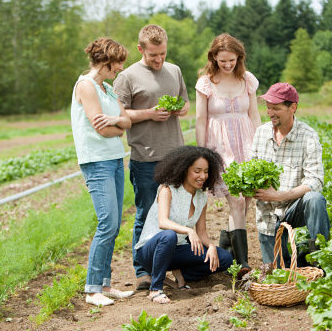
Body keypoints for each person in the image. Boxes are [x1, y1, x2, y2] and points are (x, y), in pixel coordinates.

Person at [113, 24, 190, 290]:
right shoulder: (126, 77)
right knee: (146, 214)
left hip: (175, 155)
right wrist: (149, 113)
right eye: (153, 55)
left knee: (177, 215)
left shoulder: (175, 70)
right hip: (145, 157)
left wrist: (179, 110)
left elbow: (186, 103)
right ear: (140, 49)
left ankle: (172, 265)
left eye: (163, 54)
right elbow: (120, 115)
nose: (159, 60)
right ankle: (143, 271)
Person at [70, 37, 134, 307]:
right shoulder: (86, 86)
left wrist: (119, 121)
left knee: (115, 223)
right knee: (107, 222)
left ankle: (105, 284)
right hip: (96, 161)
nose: (119, 69)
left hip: (115, 159)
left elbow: (126, 121)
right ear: (105, 62)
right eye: (117, 64)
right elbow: (102, 128)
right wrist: (118, 125)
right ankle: (92, 289)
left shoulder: (106, 88)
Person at [195, 33, 261, 277]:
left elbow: (254, 115)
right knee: (237, 201)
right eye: (222, 60)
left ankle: (226, 248)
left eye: (231, 60)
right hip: (220, 148)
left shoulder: (247, 80)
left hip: (247, 144)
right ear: (214, 58)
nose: (227, 65)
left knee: (247, 200)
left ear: (238, 58)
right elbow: (201, 120)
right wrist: (201, 154)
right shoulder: (206, 83)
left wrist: (261, 146)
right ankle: (242, 263)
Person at [134, 146, 233, 304]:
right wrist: (188, 231)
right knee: (169, 235)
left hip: (176, 250)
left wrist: (212, 246)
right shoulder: (168, 189)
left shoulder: (201, 197)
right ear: (184, 170)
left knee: (225, 258)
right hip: (151, 251)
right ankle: (155, 289)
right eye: (197, 171)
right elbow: (163, 222)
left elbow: (201, 233)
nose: (203, 176)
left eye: (206, 171)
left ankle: (184, 275)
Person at [251, 82, 330, 266]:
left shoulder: (308, 136)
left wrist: (279, 195)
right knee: (279, 272)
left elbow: (315, 180)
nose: (270, 113)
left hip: (295, 209)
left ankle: (320, 259)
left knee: (314, 199)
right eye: (268, 108)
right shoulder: (261, 133)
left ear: (292, 107)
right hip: (269, 217)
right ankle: (300, 257)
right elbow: (251, 170)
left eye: (276, 108)